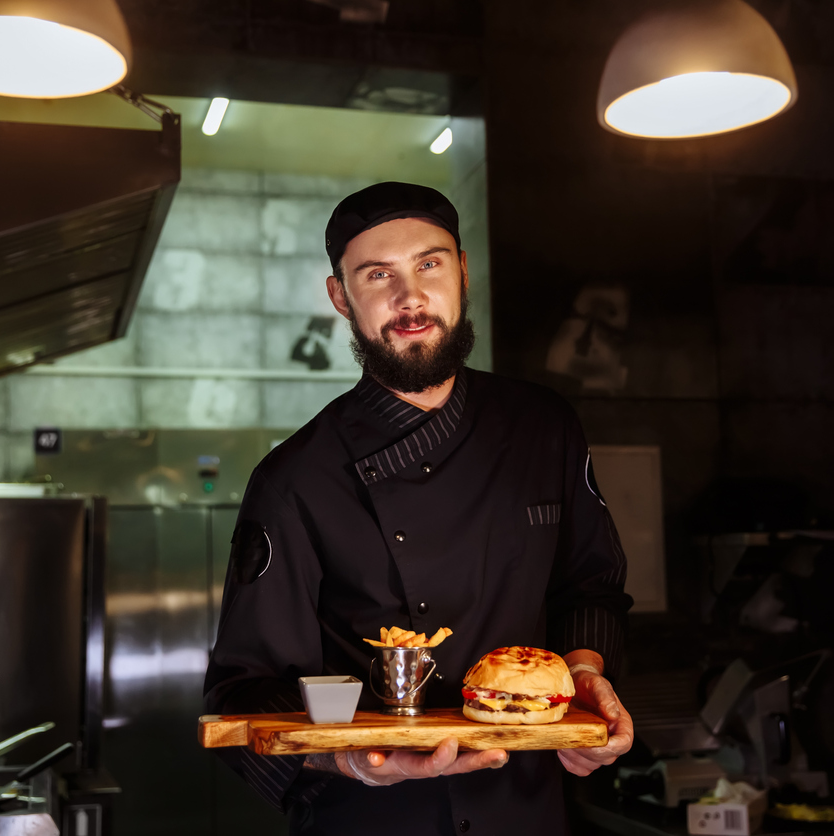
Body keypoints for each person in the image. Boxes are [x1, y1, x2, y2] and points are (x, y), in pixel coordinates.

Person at [204, 182, 635, 835]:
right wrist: (354, 762)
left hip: (526, 811)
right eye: (378, 276)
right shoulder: (295, 480)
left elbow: (591, 587)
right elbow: (240, 698)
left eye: (429, 264)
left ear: (462, 271)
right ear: (341, 297)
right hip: (370, 820)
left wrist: (581, 679)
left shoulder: (543, 427)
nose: (411, 299)